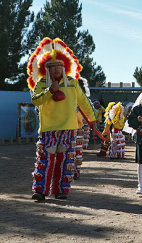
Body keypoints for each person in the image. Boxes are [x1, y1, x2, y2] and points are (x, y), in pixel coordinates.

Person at [27, 37, 96, 201]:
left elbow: (84, 102)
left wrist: (92, 119)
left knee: (64, 161)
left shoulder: (72, 83)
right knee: (45, 160)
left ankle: (60, 190)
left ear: (64, 67)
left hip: (68, 128)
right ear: (46, 69)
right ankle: (40, 191)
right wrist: (50, 91)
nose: (56, 70)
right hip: (48, 128)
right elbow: (36, 101)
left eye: (59, 66)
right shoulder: (42, 83)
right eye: (52, 67)